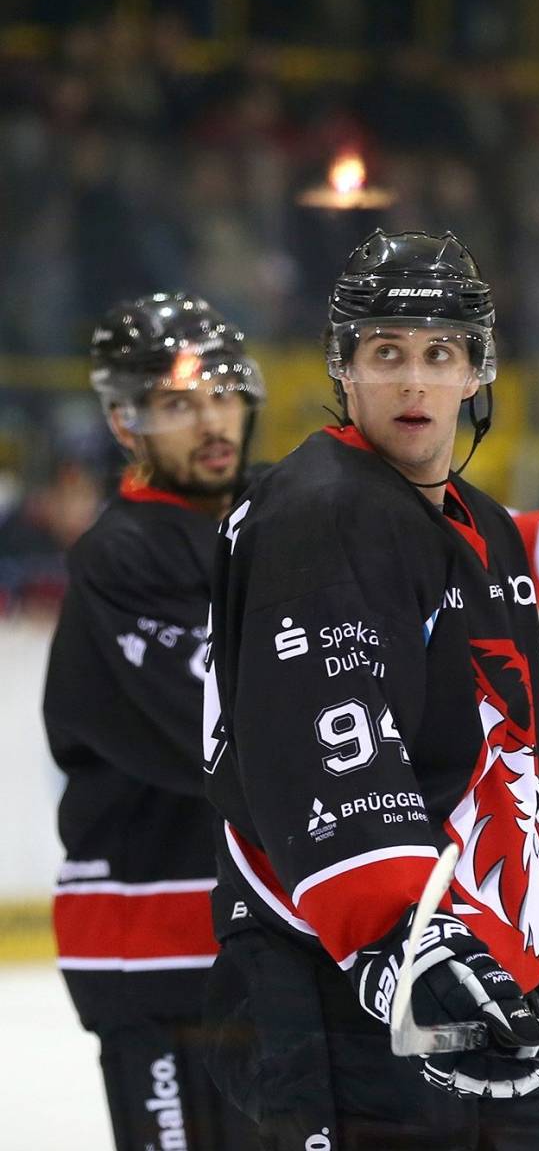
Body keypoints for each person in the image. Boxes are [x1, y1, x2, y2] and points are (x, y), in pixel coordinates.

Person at [201, 230, 539, 1150]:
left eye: (439, 352)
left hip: (447, 965)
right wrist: (398, 939)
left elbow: (484, 764)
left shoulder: (467, 523)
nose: (413, 382)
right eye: (386, 353)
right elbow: (329, 753)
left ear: (477, 370)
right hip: (334, 978)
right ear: (344, 368)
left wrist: (528, 941)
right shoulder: (323, 511)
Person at [43, 293, 266, 1151]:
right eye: (177, 404)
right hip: (150, 942)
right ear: (124, 423)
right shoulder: (122, 554)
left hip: (252, 940)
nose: (210, 421)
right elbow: (211, 729)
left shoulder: (273, 518)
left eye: (220, 392)